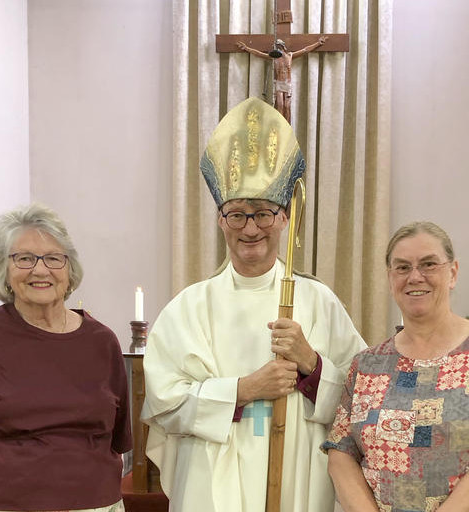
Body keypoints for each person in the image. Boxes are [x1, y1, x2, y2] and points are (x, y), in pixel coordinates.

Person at [141, 97, 366, 512]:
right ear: (220, 220)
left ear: (284, 218)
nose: (250, 228)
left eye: (263, 213)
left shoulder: (317, 300)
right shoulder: (189, 307)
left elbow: (364, 397)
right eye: (236, 214)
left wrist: (311, 365)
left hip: (299, 470)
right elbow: (164, 405)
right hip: (212, 475)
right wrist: (243, 391)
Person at [0, 203, 131, 512]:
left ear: (69, 269)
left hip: (97, 505)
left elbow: (117, 441)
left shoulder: (102, 341)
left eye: (53, 258)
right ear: (4, 271)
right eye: (24, 258)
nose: (40, 269)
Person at [323, 221, 469, 512]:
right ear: (390, 278)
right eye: (402, 267)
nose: (415, 277)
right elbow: (341, 451)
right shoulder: (367, 364)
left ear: (452, 273)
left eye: (428, 264)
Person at [236, 36, 327, 122]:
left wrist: (318, 43)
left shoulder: (290, 56)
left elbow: (305, 50)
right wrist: (246, 48)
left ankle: (287, 125)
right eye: (276, 47)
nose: (278, 49)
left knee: (287, 106)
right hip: (279, 83)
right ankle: (280, 124)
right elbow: (259, 53)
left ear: (283, 47)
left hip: (287, 83)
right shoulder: (274, 57)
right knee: (280, 105)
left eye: (279, 47)